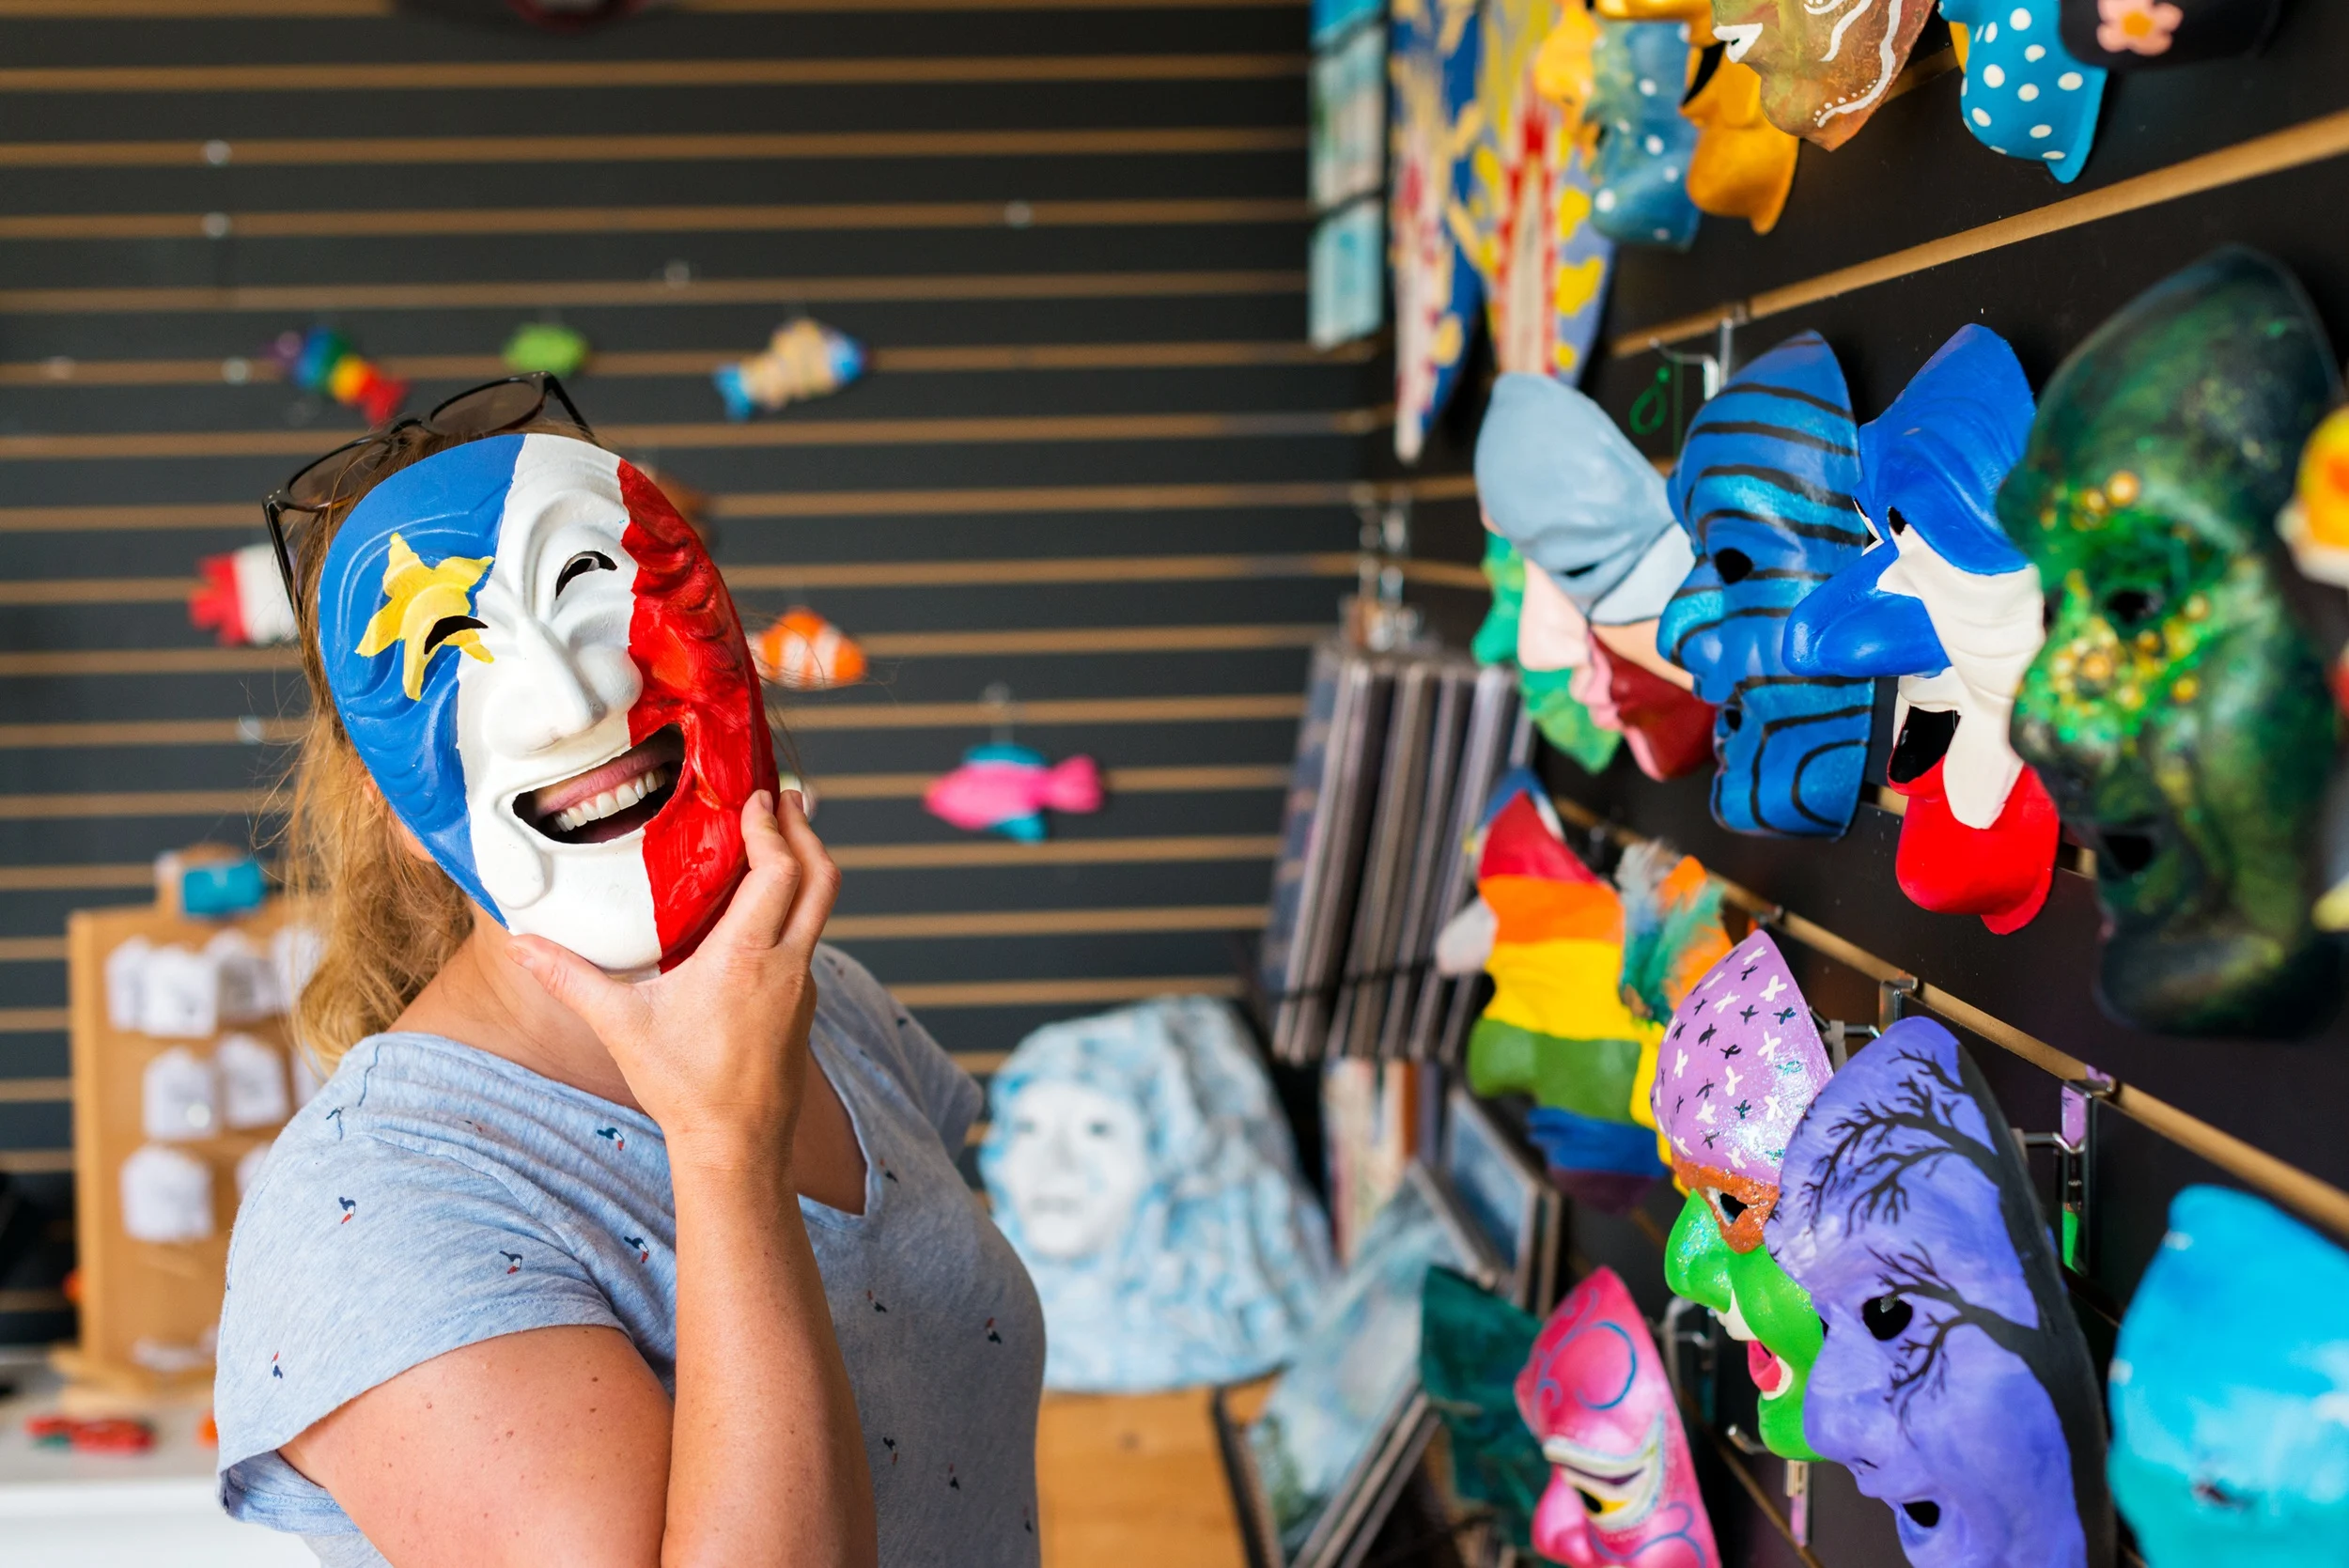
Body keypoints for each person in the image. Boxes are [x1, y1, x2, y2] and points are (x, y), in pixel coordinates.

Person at [211, 377, 1044, 1568]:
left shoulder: (827, 1002)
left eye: (589, 585)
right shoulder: (372, 1211)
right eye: (450, 642)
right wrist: (720, 1142)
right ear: (382, 798)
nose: (569, 697)